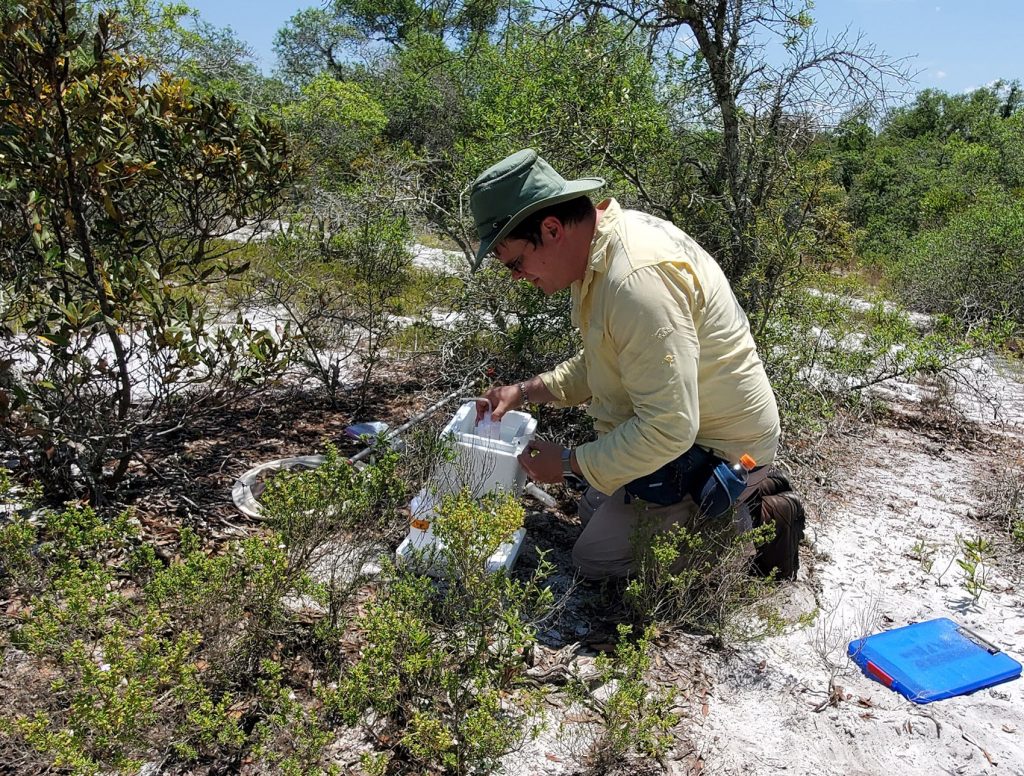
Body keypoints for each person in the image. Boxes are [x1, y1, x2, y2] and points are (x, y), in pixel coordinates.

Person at [470, 149, 780, 578]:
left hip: (723, 449)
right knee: (593, 504)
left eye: (516, 262)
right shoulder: (598, 254)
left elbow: (669, 427)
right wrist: (523, 391)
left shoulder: (634, 279)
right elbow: (603, 361)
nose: (516, 277)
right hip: (683, 437)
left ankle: (745, 520)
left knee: (597, 558)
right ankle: (720, 503)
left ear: (552, 228)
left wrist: (565, 463)